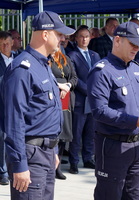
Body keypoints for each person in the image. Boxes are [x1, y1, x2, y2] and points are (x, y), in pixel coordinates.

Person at [0, 11, 75, 200]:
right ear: (45, 34)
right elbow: (13, 121)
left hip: (46, 154)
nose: (63, 38)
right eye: (59, 34)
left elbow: (47, 112)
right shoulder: (23, 69)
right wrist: (19, 164)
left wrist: (53, 151)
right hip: (31, 156)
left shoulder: (42, 64)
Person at [87, 21, 139, 200]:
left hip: (136, 146)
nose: (137, 49)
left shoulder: (136, 69)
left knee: (135, 196)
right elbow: (99, 111)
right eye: (133, 44)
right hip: (113, 146)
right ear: (118, 40)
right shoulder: (102, 71)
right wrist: (134, 121)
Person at [67, 25, 100, 174]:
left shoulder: (95, 55)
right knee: (77, 132)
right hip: (81, 99)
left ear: (90, 37)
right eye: (81, 36)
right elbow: (74, 77)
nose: (84, 39)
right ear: (76, 38)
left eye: (86, 36)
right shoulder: (72, 55)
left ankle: (88, 158)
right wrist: (89, 90)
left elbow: (100, 75)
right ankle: (74, 161)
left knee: (91, 131)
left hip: (93, 100)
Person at [50, 49, 78, 179]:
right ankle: (51, 165)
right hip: (53, 99)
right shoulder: (46, 58)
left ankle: (58, 166)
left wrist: (67, 85)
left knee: (63, 135)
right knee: (53, 135)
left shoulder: (65, 58)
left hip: (66, 101)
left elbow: (74, 77)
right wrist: (59, 86)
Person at [0, 31, 14, 185]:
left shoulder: (19, 59)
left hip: (18, 105)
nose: (5, 46)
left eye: (7, 43)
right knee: (3, 138)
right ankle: (3, 171)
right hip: (2, 104)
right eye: (2, 43)